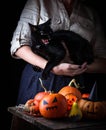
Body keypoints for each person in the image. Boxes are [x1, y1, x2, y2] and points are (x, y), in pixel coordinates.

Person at [10, 0, 106, 106]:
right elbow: (19, 46)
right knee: (34, 116)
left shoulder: (90, 12)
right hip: (40, 79)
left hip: (76, 85)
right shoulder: (38, 2)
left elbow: (103, 61)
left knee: (73, 118)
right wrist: (52, 67)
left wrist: (77, 66)